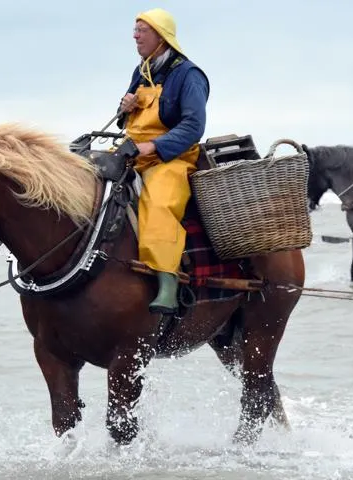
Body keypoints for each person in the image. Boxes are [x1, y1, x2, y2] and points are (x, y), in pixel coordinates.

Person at [116, 7, 210, 314]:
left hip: (174, 158)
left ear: (161, 35)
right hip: (135, 151)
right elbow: (124, 119)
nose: (135, 35)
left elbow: (193, 126)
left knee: (158, 203)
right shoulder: (142, 69)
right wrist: (124, 106)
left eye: (141, 30)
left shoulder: (189, 75)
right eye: (135, 29)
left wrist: (155, 145)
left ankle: (168, 282)